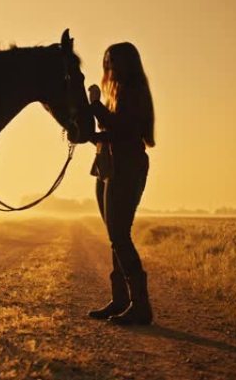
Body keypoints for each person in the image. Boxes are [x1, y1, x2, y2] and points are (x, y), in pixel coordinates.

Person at [87, 42, 155, 325]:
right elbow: (114, 131)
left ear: (127, 63)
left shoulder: (133, 92)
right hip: (110, 165)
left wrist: (94, 106)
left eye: (114, 62)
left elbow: (123, 131)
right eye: (107, 61)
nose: (110, 67)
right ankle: (120, 300)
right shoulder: (118, 92)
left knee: (119, 234)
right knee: (115, 235)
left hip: (126, 167)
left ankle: (141, 306)